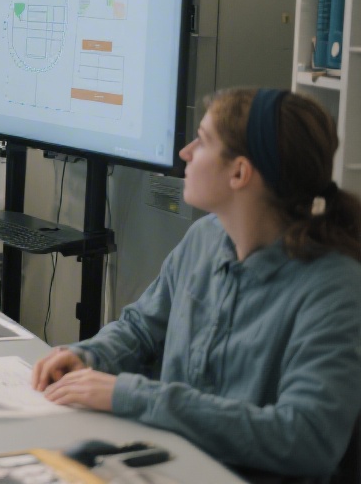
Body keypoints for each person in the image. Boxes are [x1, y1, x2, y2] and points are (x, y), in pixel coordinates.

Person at [32, 88, 361, 479]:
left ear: (239, 172)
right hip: (172, 463)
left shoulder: (333, 288)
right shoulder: (205, 237)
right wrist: (90, 356)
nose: (185, 153)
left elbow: (305, 439)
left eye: (202, 141)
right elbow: (141, 329)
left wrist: (132, 396)